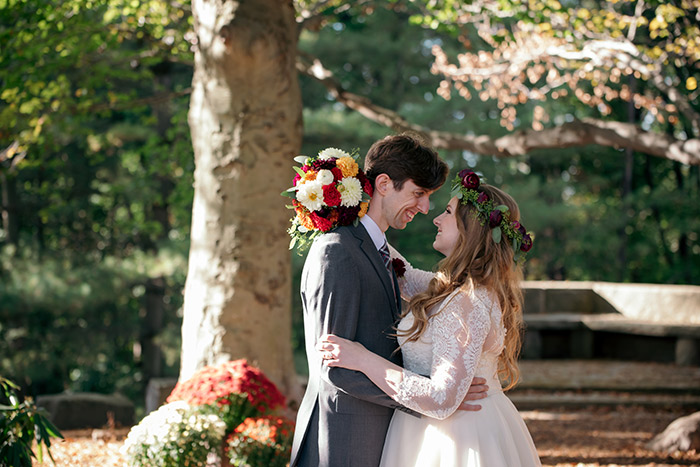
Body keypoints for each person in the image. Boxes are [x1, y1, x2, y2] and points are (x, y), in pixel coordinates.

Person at [290, 135, 489, 467]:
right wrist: (427, 398)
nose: (425, 208)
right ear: (383, 184)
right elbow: (334, 366)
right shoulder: (337, 251)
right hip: (342, 439)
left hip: (378, 436)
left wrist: (441, 393)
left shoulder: (378, 251)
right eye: (418, 194)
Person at [318, 171, 541, 466]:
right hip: (438, 428)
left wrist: (362, 359)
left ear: (470, 230)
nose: (436, 219)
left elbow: (441, 400)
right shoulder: (454, 289)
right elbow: (401, 272)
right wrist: (344, 206)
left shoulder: (466, 301)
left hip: (456, 438)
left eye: (447, 212)